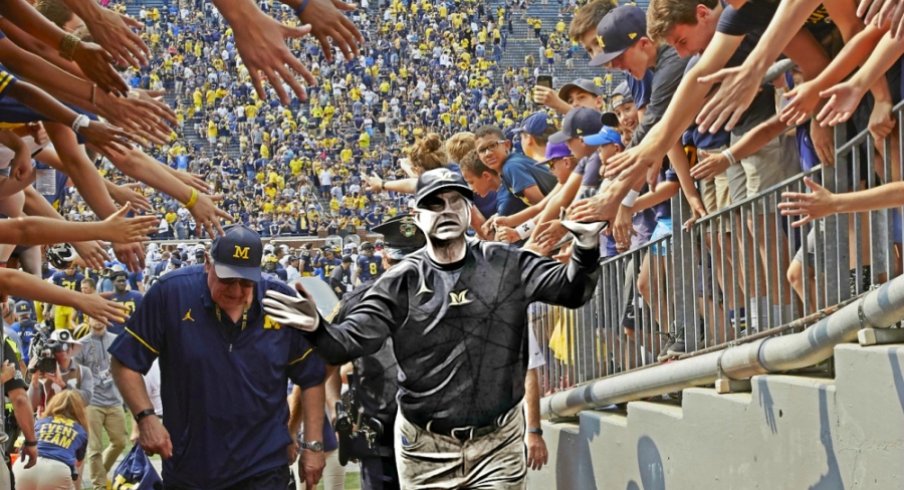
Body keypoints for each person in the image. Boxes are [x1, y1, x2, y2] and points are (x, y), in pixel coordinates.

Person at [263, 169, 603, 488]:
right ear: (418, 218)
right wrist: (316, 327)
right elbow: (346, 344)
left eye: (457, 201)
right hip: (425, 444)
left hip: (498, 437)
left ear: (470, 211)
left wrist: (585, 251)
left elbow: (573, 291)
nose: (447, 210)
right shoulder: (401, 281)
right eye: (434, 204)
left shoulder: (505, 262)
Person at [109, 225, 328, 489]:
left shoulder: (279, 299)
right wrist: (145, 418)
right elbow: (125, 361)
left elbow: (311, 375)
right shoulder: (171, 293)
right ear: (207, 263)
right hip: (191, 466)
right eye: (227, 279)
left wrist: (313, 445)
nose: (236, 291)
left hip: (264, 464)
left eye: (246, 282)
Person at [74, 315, 126, 490]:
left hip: (115, 399)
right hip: (92, 402)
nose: (98, 320)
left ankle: (100, 473)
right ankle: (99, 486)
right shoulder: (80, 344)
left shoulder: (116, 340)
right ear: (87, 320)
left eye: (102, 317)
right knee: (94, 448)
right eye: (94, 317)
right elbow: (74, 373)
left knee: (120, 442)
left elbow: (125, 367)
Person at [12, 390, 87, 490]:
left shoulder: (41, 422)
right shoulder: (80, 430)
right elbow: (78, 463)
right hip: (56, 470)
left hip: (23, 466)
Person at [27, 328, 94, 411]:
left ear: (72, 348)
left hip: (74, 420)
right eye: (59, 347)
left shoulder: (83, 371)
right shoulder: (45, 370)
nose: (64, 350)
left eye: (68, 345)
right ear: (52, 350)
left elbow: (86, 399)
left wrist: (63, 385)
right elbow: (31, 405)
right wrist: (34, 381)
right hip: (51, 420)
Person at [107, 270, 142, 335]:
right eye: (119, 281)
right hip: (113, 334)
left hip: (132, 333)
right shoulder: (107, 298)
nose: (122, 283)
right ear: (113, 282)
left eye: (123, 281)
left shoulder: (137, 296)